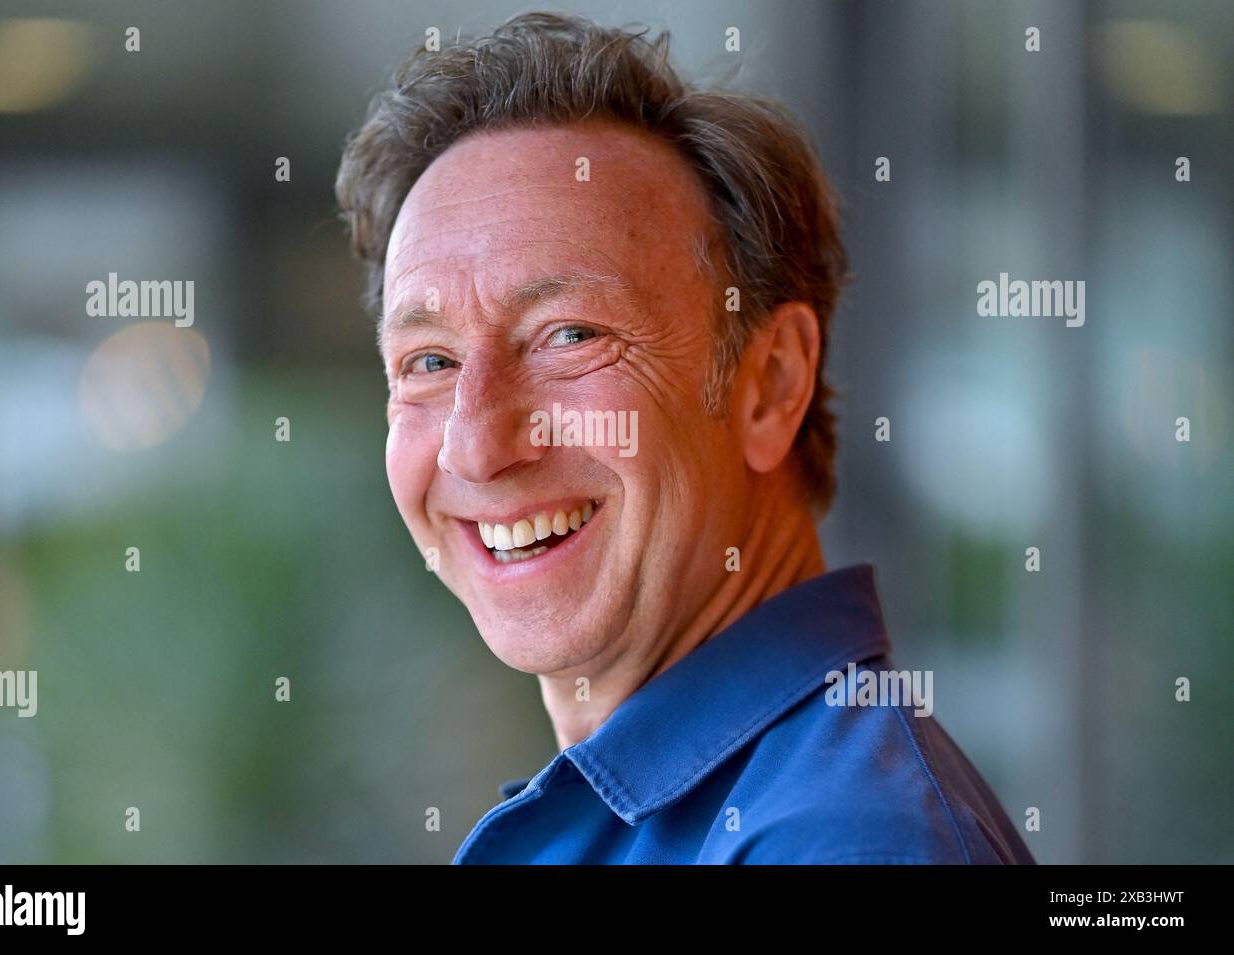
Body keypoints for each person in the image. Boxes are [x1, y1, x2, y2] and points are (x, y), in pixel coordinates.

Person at [336, 12, 1035, 864]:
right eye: (431, 360)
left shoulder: (842, 840)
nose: (478, 447)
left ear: (771, 384)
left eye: (570, 335)